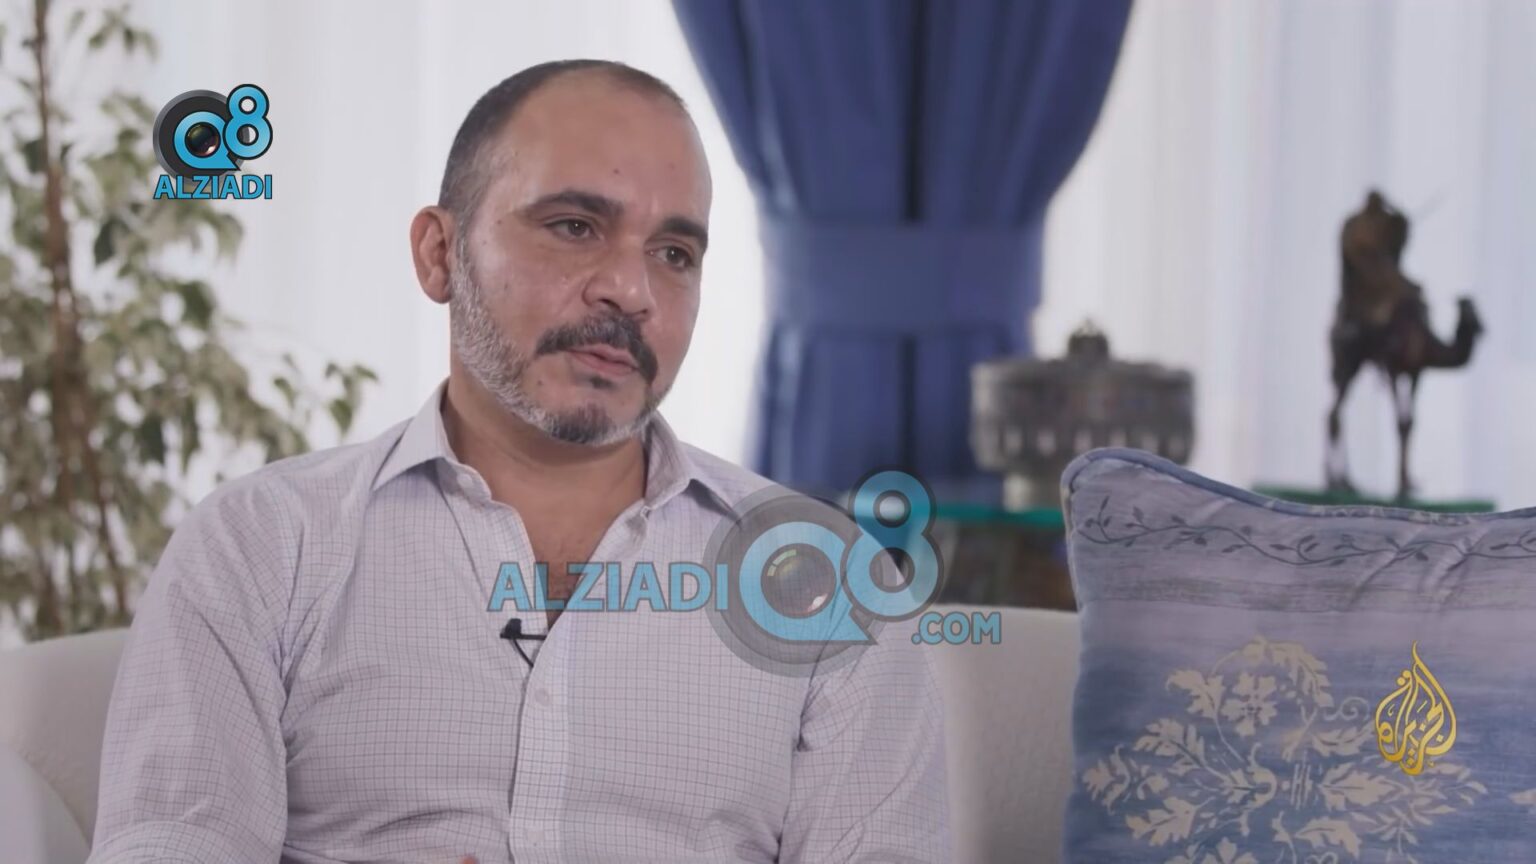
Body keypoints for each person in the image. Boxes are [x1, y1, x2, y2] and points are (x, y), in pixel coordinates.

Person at [86, 60, 950, 864]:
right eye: (574, 227)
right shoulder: (264, 546)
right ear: (440, 254)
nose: (631, 290)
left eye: (674, 254)